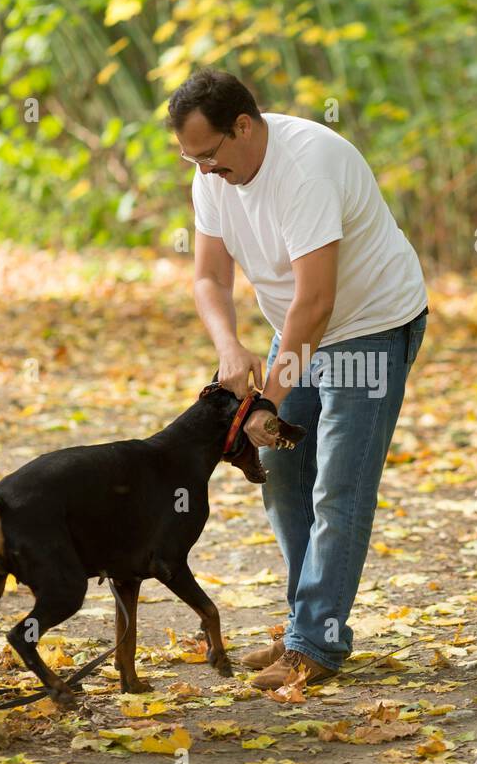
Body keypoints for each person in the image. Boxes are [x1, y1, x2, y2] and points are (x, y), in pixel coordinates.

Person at [168, 68, 427, 688]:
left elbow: (317, 300)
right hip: (302, 326)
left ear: (244, 126)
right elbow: (209, 279)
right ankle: (301, 627)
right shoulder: (212, 176)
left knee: (339, 485)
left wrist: (264, 400)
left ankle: (316, 645)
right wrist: (230, 347)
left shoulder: (307, 166)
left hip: (370, 326)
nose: (203, 171)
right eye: (191, 159)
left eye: (209, 156)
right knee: (283, 474)